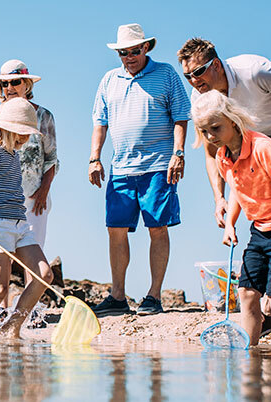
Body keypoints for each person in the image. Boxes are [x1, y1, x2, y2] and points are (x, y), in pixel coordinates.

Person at [176, 38, 271, 341]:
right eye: (188, 76)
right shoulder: (203, 102)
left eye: (199, 72)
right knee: (252, 281)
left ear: (217, 64)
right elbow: (213, 154)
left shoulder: (255, 72)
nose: (195, 82)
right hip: (242, 142)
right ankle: (267, 316)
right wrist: (219, 198)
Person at [192, 91, 271, 350]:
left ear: (233, 121)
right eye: (205, 132)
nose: (211, 136)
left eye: (216, 128)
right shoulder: (223, 157)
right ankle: (250, 353)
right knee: (247, 292)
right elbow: (237, 190)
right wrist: (230, 224)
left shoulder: (263, 148)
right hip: (260, 228)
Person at [88, 23, 191, 316]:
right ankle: (118, 297)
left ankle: (153, 296)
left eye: (135, 50)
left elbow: (181, 117)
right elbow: (100, 122)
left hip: (159, 165)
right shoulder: (109, 80)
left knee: (157, 227)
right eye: (124, 52)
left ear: (146, 48)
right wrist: (94, 158)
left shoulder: (167, 74)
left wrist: (178, 153)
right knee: (115, 229)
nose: (129, 56)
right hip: (121, 168)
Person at [0, 98, 54, 339]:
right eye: (22, 133)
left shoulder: (14, 156)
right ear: (6, 128)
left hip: (20, 224)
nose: (25, 139)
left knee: (44, 274)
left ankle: (11, 328)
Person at [0, 60, 58, 311]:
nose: (10, 87)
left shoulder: (44, 116)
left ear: (27, 84)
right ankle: (1, 311)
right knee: (2, 261)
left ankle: (29, 310)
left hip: (34, 197)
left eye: (15, 82)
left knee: (33, 253)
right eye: (5, 83)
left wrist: (44, 191)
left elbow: (52, 158)